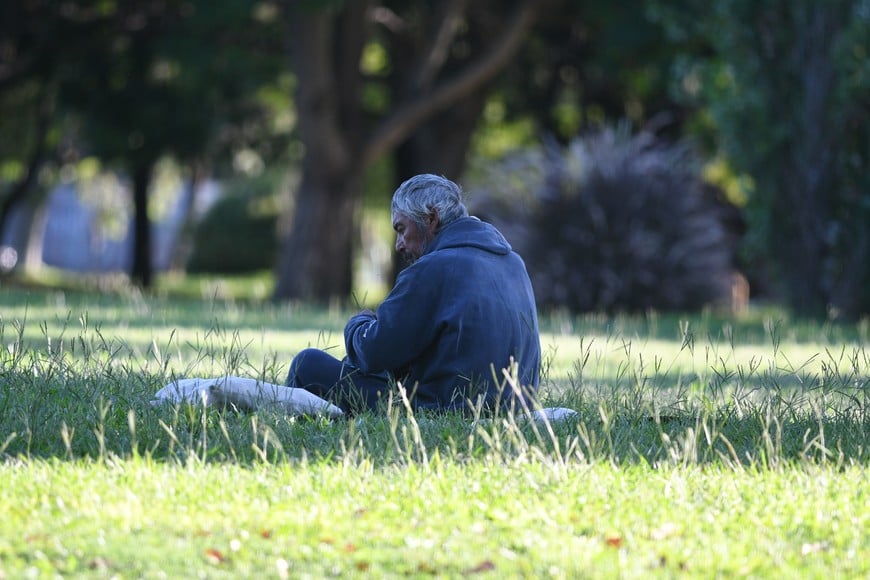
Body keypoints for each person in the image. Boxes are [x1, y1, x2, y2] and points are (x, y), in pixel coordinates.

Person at [286, 174, 541, 415]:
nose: (398, 244)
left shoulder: (433, 268)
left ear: (431, 218)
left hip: (442, 409)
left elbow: (374, 352)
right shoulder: (514, 263)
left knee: (307, 364)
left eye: (401, 229)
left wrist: (359, 324)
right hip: (514, 406)